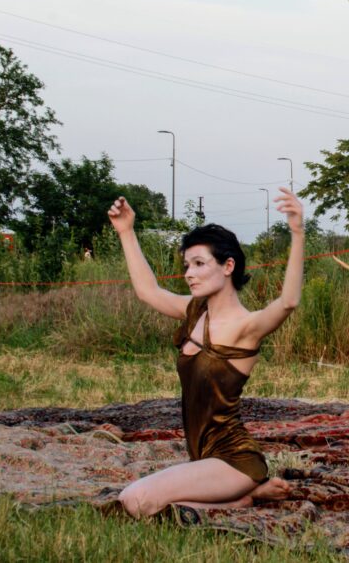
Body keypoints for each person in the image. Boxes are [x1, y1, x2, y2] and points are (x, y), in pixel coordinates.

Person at [107, 187, 304, 517]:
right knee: (139, 501)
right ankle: (243, 497)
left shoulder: (247, 327)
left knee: (135, 501)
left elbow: (288, 301)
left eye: (199, 263)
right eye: (187, 265)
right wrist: (126, 231)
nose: (189, 273)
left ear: (228, 266)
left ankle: (244, 497)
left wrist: (297, 232)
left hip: (235, 461)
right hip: (202, 458)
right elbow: (147, 290)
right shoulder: (194, 311)